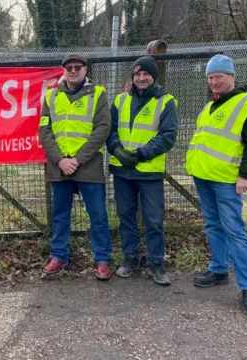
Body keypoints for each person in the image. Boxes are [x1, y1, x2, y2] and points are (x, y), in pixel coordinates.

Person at [187, 54, 247, 316]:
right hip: (203, 176)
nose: (214, 81)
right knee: (213, 225)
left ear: (231, 76)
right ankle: (219, 269)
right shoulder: (211, 106)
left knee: (235, 231)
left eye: (218, 76)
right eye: (210, 77)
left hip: (227, 180)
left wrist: (245, 176)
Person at [39, 54, 114, 279]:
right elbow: (45, 130)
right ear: (63, 70)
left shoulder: (98, 94)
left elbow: (102, 128)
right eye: (69, 67)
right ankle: (59, 255)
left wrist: (78, 159)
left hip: (88, 166)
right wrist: (61, 159)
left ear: (85, 69)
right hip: (59, 166)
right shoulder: (51, 96)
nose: (73, 70)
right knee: (60, 215)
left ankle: (102, 259)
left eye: (77, 67)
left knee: (98, 215)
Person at [106, 56, 179, 285]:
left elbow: (167, 137)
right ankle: (131, 258)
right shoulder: (120, 100)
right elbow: (110, 130)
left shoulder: (166, 102)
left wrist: (140, 154)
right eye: (137, 74)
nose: (141, 77)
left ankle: (156, 263)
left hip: (149, 171)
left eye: (145, 74)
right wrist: (116, 149)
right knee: (126, 217)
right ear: (132, 77)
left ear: (153, 76)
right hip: (122, 170)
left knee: (154, 220)